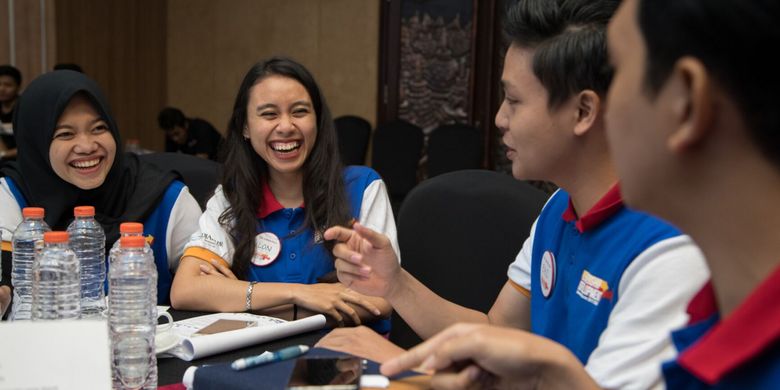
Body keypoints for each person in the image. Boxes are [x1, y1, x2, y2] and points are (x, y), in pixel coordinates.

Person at [380, 0, 780, 388]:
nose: (608, 110)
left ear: (687, 102)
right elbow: (499, 332)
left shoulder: (677, 256)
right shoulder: (719, 297)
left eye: (621, 75)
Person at [169, 58, 398, 332]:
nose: (286, 126)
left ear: (318, 120)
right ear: (245, 126)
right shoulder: (230, 198)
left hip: (347, 357)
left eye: (300, 111)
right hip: (257, 356)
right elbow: (186, 289)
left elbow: (382, 298)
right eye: (269, 114)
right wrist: (299, 294)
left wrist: (240, 295)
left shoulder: (362, 187)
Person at [0, 70, 202, 317]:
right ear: (36, 143)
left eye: (98, 128)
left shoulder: (166, 199)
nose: (87, 146)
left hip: (146, 349)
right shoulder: (11, 196)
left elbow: (207, 288)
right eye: (65, 134)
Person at [157, 107, 223, 161]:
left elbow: (201, 161)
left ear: (185, 125)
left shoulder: (201, 128)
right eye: (170, 136)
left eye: (177, 134)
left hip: (222, 165)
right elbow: (169, 160)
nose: (175, 139)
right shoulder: (171, 135)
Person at [0, 65, 21, 161]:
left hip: (21, 160)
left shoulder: (26, 107)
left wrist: (4, 154)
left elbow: (33, 144)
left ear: (18, 87)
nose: (2, 89)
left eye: (8, 85)